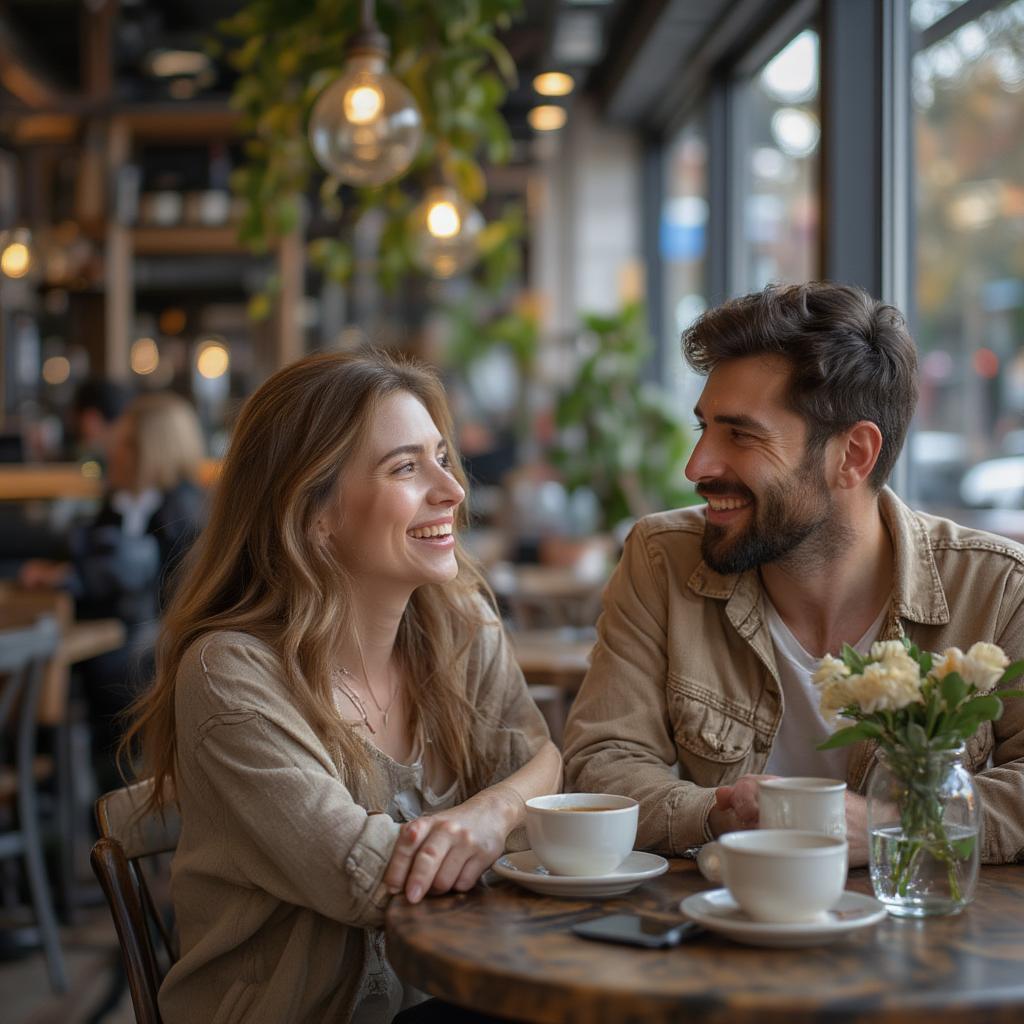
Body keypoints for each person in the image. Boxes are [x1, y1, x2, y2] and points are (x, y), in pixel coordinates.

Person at [123, 351, 561, 1024]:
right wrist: (515, 817)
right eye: (407, 467)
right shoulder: (230, 674)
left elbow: (544, 766)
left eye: (443, 457)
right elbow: (368, 880)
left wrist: (494, 813)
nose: (453, 490)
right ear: (313, 513)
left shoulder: (461, 625)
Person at [562, 282, 1024, 868]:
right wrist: (719, 811)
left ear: (853, 455)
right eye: (703, 427)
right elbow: (603, 761)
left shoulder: (995, 589)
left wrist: (895, 825)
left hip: (924, 941)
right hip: (723, 938)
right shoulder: (662, 559)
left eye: (741, 434)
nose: (696, 465)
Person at [21, 392, 206, 788]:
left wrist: (74, 576)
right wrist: (65, 573)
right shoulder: (124, 504)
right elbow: (98, 563)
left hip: (157, 655)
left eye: (121, 445)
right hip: (122, 649)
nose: (111, 453)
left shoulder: (181, 512)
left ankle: (87, 795)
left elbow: (149, 583)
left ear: (148, 451)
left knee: (89, 679)